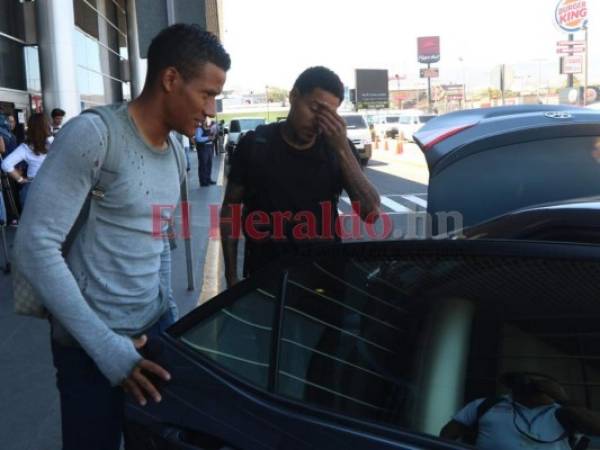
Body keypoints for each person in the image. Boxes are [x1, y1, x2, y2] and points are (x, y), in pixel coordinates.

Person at [13, 24, 230, 450]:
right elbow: (34, 246)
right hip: (87, 348)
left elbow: (159, 241)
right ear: (170, 79)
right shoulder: (94, 135)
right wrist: (110, 353)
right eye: (206, 94)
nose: (211, 109)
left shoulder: (175, 153)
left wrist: (167, 314)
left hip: (152, 332)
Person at [221, 66, 380, 287]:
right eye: (315, 109)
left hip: (324, 281)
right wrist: (231, 277)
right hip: (265, 281)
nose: (319, 123)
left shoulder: (336, 149)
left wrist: (342, 148)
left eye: (329, 115)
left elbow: (370, 212)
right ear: (294, 96)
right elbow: (231, 207)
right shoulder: (255, 145)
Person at [440, 372, 600, 450]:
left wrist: (562, 398)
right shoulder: (487, 405)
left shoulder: (564, 413)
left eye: (536, 384)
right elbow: (447, 434)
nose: (529, 386)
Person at [1, 113, 52, 207]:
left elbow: (6, 164)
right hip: (52, 187)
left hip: (32, 187)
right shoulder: (55, 142)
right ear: (47, 125)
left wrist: (20, 179)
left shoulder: (26, 147)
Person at [195, 119, 216, 186]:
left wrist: (212, 137)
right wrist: (208, 138)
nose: (206, 122)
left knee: (209, 164)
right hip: (203, 148)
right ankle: (203, 181)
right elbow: (198, 138)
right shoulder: (199, 129)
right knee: (203, 165)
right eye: (204, 121)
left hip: (209, 147)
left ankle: (208, 179)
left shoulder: (208, 128)